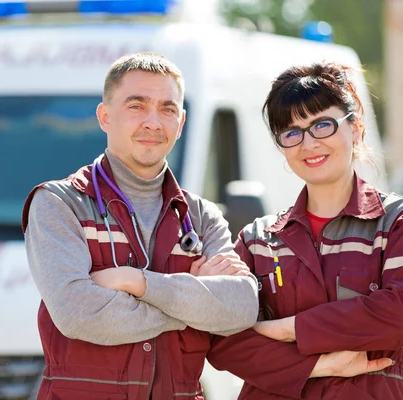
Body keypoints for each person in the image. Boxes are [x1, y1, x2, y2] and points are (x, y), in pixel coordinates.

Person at [21, 52, 261, 400]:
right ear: (104, 116)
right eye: (137, 106)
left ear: (180, 123)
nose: (153, 122)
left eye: (167, 109)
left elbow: (240, 307)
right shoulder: (60, 203)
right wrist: (193, 301)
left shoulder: (201, 216)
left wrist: (137, 282)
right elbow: (78, 314)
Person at [206, 62, 403, 399]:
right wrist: (321, 366)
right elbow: (222, 339)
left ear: (355, 128)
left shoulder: (399, 221)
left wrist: (288, 329)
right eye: (292, 132)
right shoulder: (259, 239)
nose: (309, 143)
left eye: (322, 125)